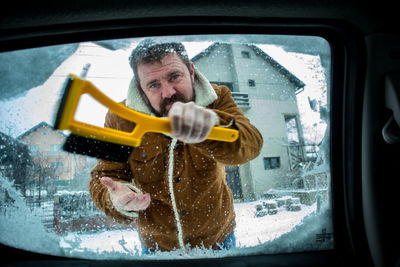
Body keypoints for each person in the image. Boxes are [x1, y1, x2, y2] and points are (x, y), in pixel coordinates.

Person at [89, 39, 263, 253]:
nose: (168, 92)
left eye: (174, 77)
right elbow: (104, 176)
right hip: (156, 248)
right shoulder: (120, 119)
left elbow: (251, 144)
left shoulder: (218, 98)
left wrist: (211, 124)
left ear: (190, 71)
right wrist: (115, 198)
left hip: (218, 241)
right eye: (153, 85)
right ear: (140, 88)